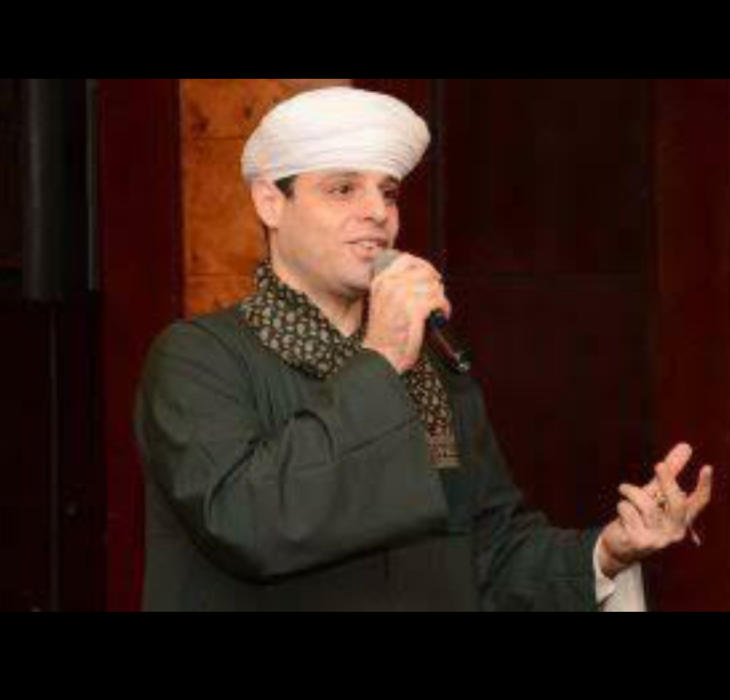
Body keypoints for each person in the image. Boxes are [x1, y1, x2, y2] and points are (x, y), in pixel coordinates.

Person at [135, 87, 713, 612]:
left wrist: (608, 550)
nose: (378, 212)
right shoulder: (198, 359)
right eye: (342, 189)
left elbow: (491, 551)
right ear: (270, 202)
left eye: (388, 192)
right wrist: (381, 357)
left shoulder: (430, 363)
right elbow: (250, 522)